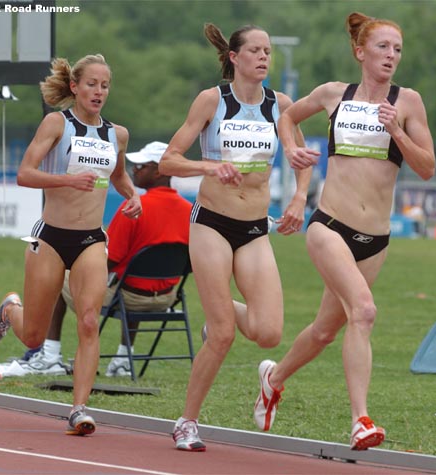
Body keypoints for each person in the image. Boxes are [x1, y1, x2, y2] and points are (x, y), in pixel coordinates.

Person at [253, 12, 436, 451]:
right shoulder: (335, 94)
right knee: (365, 312)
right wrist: (294, 153)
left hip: (375, 239)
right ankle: (360, 420)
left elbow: (426, 167)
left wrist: (396, 131)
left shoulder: (407, 102)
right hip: (329, 225)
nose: (391, 55)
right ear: (360, 52)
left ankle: (272, 379)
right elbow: (287, 118)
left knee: (324, 331)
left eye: (397, 49)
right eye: (382, 47)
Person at [159, 23, 313, 452]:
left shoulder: (280, 105)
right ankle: (187, 422)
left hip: (254, 227)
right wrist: (210, 167)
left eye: (268, 52)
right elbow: (169, 160)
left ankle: (219, 314)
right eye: (256, 51)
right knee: (225, 335)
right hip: (210, 222)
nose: (264, 57)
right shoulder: (213, 101)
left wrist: (300, 198)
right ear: (235, 57)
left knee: (268, 333)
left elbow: (300, 158)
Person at [0, 54, 142, 435]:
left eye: (105, 85)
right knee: (35, 336)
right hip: (51, 237)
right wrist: (67, 181)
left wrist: (132, 195)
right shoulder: (58, 123)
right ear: (74, 87)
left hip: (90, 238)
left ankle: (79, 409)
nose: (99, 92)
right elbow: (25, 173)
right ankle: (9, 309)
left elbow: (118, 175)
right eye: (91, 84)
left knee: (89, 321)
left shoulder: (116, 135)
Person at [20, 142, 192, 378]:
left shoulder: (133, 209)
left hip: (127, 296)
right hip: (167, 297)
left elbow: (110, 260)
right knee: (135, 278)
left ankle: (49, 354)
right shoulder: (189, 210)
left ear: (160, 171)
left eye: (141, 166)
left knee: (60, 274)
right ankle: (123, 359)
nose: (134, 170)